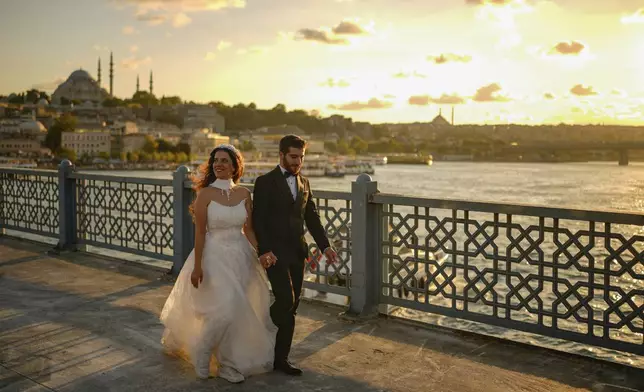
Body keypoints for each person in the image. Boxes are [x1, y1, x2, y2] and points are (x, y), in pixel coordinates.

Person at [159, 144, 277, 383]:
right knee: (224, 309)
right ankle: (203, 353)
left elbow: (249, 230)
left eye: (225, 160)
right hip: (213, 255)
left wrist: (262, 252)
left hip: (241, 256)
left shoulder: (244, 194)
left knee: (235, 312)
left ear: (235, 166)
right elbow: (201, 233)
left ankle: (228, 364)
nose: (219, 164)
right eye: (216, 160)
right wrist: (197, 266)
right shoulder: (205, 194)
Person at [252, 134, 339, 376]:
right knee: (286, 301)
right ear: (281, 155)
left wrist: (326, 246)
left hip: (297, 252)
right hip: (274, 254)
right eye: (293, 156)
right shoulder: (264, 182)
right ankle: (259, 327)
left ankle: (280, 358)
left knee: (293, 306)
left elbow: (312, 217)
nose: (298, 161)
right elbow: (258, 220)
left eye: (301, 157)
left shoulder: (305, 183)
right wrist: (264, 250)